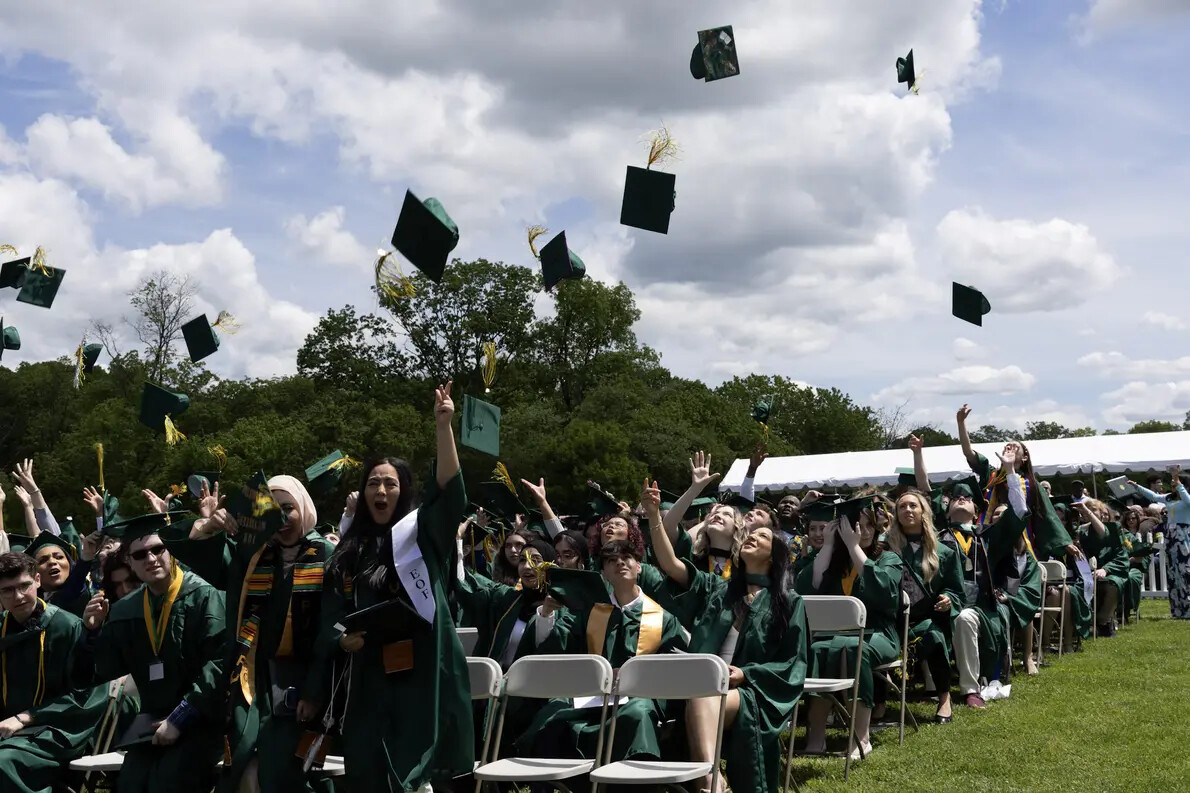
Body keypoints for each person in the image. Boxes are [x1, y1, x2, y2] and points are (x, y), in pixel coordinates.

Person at [321, 382, 473, 793]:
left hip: (419, 672)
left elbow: (449, 493)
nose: (381, 490)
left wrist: (444, 428)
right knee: (368, 768)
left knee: (413, 773)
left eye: (390, 483)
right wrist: (341, 640)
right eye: (373, 483)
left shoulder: (421, 535)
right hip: (368, 675)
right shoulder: (351, 549)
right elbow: (332, 614)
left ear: (403, 490)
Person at [643, 479, 808, 793]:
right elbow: (670, 563)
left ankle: (708, 782)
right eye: (751, 534)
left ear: (774, 557)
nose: (751, 538)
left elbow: (794, 662)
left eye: (761, 536)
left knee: (704, 695)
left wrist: (747, 673)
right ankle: (712, 782)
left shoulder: (788, 603)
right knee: (694, 693)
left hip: (751, 691)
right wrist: (654, 517)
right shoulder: (718, 589)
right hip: (701, 683)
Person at [186, 474, 337, 793]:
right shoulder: (252, 555)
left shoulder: (326, 555)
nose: (282, 519)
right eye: (274, 511)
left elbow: (329, 630)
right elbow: (206, 561)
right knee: (239, 754)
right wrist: (208, 526)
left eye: (288, 509)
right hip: (251, 676)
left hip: (302, 680)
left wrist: (313, 691)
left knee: (286, 765)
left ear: (304, 508)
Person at [77, 512, 227, 793]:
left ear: (172, 551)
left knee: (168, 781)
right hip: (151, 724)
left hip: (204, 721)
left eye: (159, 549)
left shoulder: (206, 597)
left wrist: (181, 718)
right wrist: (92, 632)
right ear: (131, 563)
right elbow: (102, 672)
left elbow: (220, 666)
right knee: (130, 783)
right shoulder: (125, 610)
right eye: (140, 554)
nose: (151, 558)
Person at [518, 540, 689, 766]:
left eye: (626, 558)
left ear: (639, 566)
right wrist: (547, 612)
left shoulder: (662, 619)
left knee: (638, 712)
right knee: (553, 709)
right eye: (611, 560)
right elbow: (555, 648)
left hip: (639, 698)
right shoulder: (588, 612)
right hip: (590, 696)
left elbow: (675, 670)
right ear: (603, 573)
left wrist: (636, 677)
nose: (619, 563)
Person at [796, 497, 902, 759]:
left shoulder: (888, 558)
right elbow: (807, 587)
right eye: (855, 525)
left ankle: (861, 737)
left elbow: (885, 593)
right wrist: (830, 544)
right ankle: (817, 736)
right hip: (833, 636)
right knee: (817, 650)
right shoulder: (834, 561)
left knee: (856, 649)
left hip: (877, 634)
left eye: (867, 525)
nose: (862, 531)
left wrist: (855, 548)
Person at [0, 552, 113, 793]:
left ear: (37, 581)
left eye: (24, 586)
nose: (18, 596)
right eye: (7, 590)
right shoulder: (1, 629)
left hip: (59, 729)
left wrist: (26, 717)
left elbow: (87, 694)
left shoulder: (68, 627)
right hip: (8, 729)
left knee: (2, 763)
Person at [935, 441, 1032, 709]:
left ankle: (970, 689)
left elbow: (1019, 512)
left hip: (980, 607)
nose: (962, 499)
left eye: (967, 498)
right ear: (946, 509)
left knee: (966, 617)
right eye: (956, 497)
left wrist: (1010, 470)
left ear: (977, 512)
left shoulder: (988, 537)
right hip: (939, 606)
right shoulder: (937, 539)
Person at [884, 487, 963, 722]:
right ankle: (879, 703)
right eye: (901, 506)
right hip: (893, 619)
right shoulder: (888, 547)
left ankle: (944, 699)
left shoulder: (944, 553)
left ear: (923, 512)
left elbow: (955, 588)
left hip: (927, 617)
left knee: (935, 637)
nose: (907, 509)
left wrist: (949, 598)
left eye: (913, 505)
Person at [1132, 467, 1190, 619]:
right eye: (1172, 485)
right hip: (1171, 537)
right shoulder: (1169, 498)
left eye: (1175, 485)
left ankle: (1188, 608)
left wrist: (1178, 482)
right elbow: (1152, 495)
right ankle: (1177, 610)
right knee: (1173, 574)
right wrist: (1137, 486)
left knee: (1185, 573)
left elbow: (1187, 499)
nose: (1172, 487)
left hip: (1183, 537)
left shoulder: (1187, 499)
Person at [1071, 500, 1129, 636]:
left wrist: (1106, 569)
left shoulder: (1114, 529)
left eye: (1093, 509)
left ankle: (1102, 621)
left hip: (1111, 571)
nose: (1102, 515)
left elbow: (1104, 535)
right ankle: (1086, 622)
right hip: (1085, 572)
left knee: (1113, 584)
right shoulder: (1083, 532)